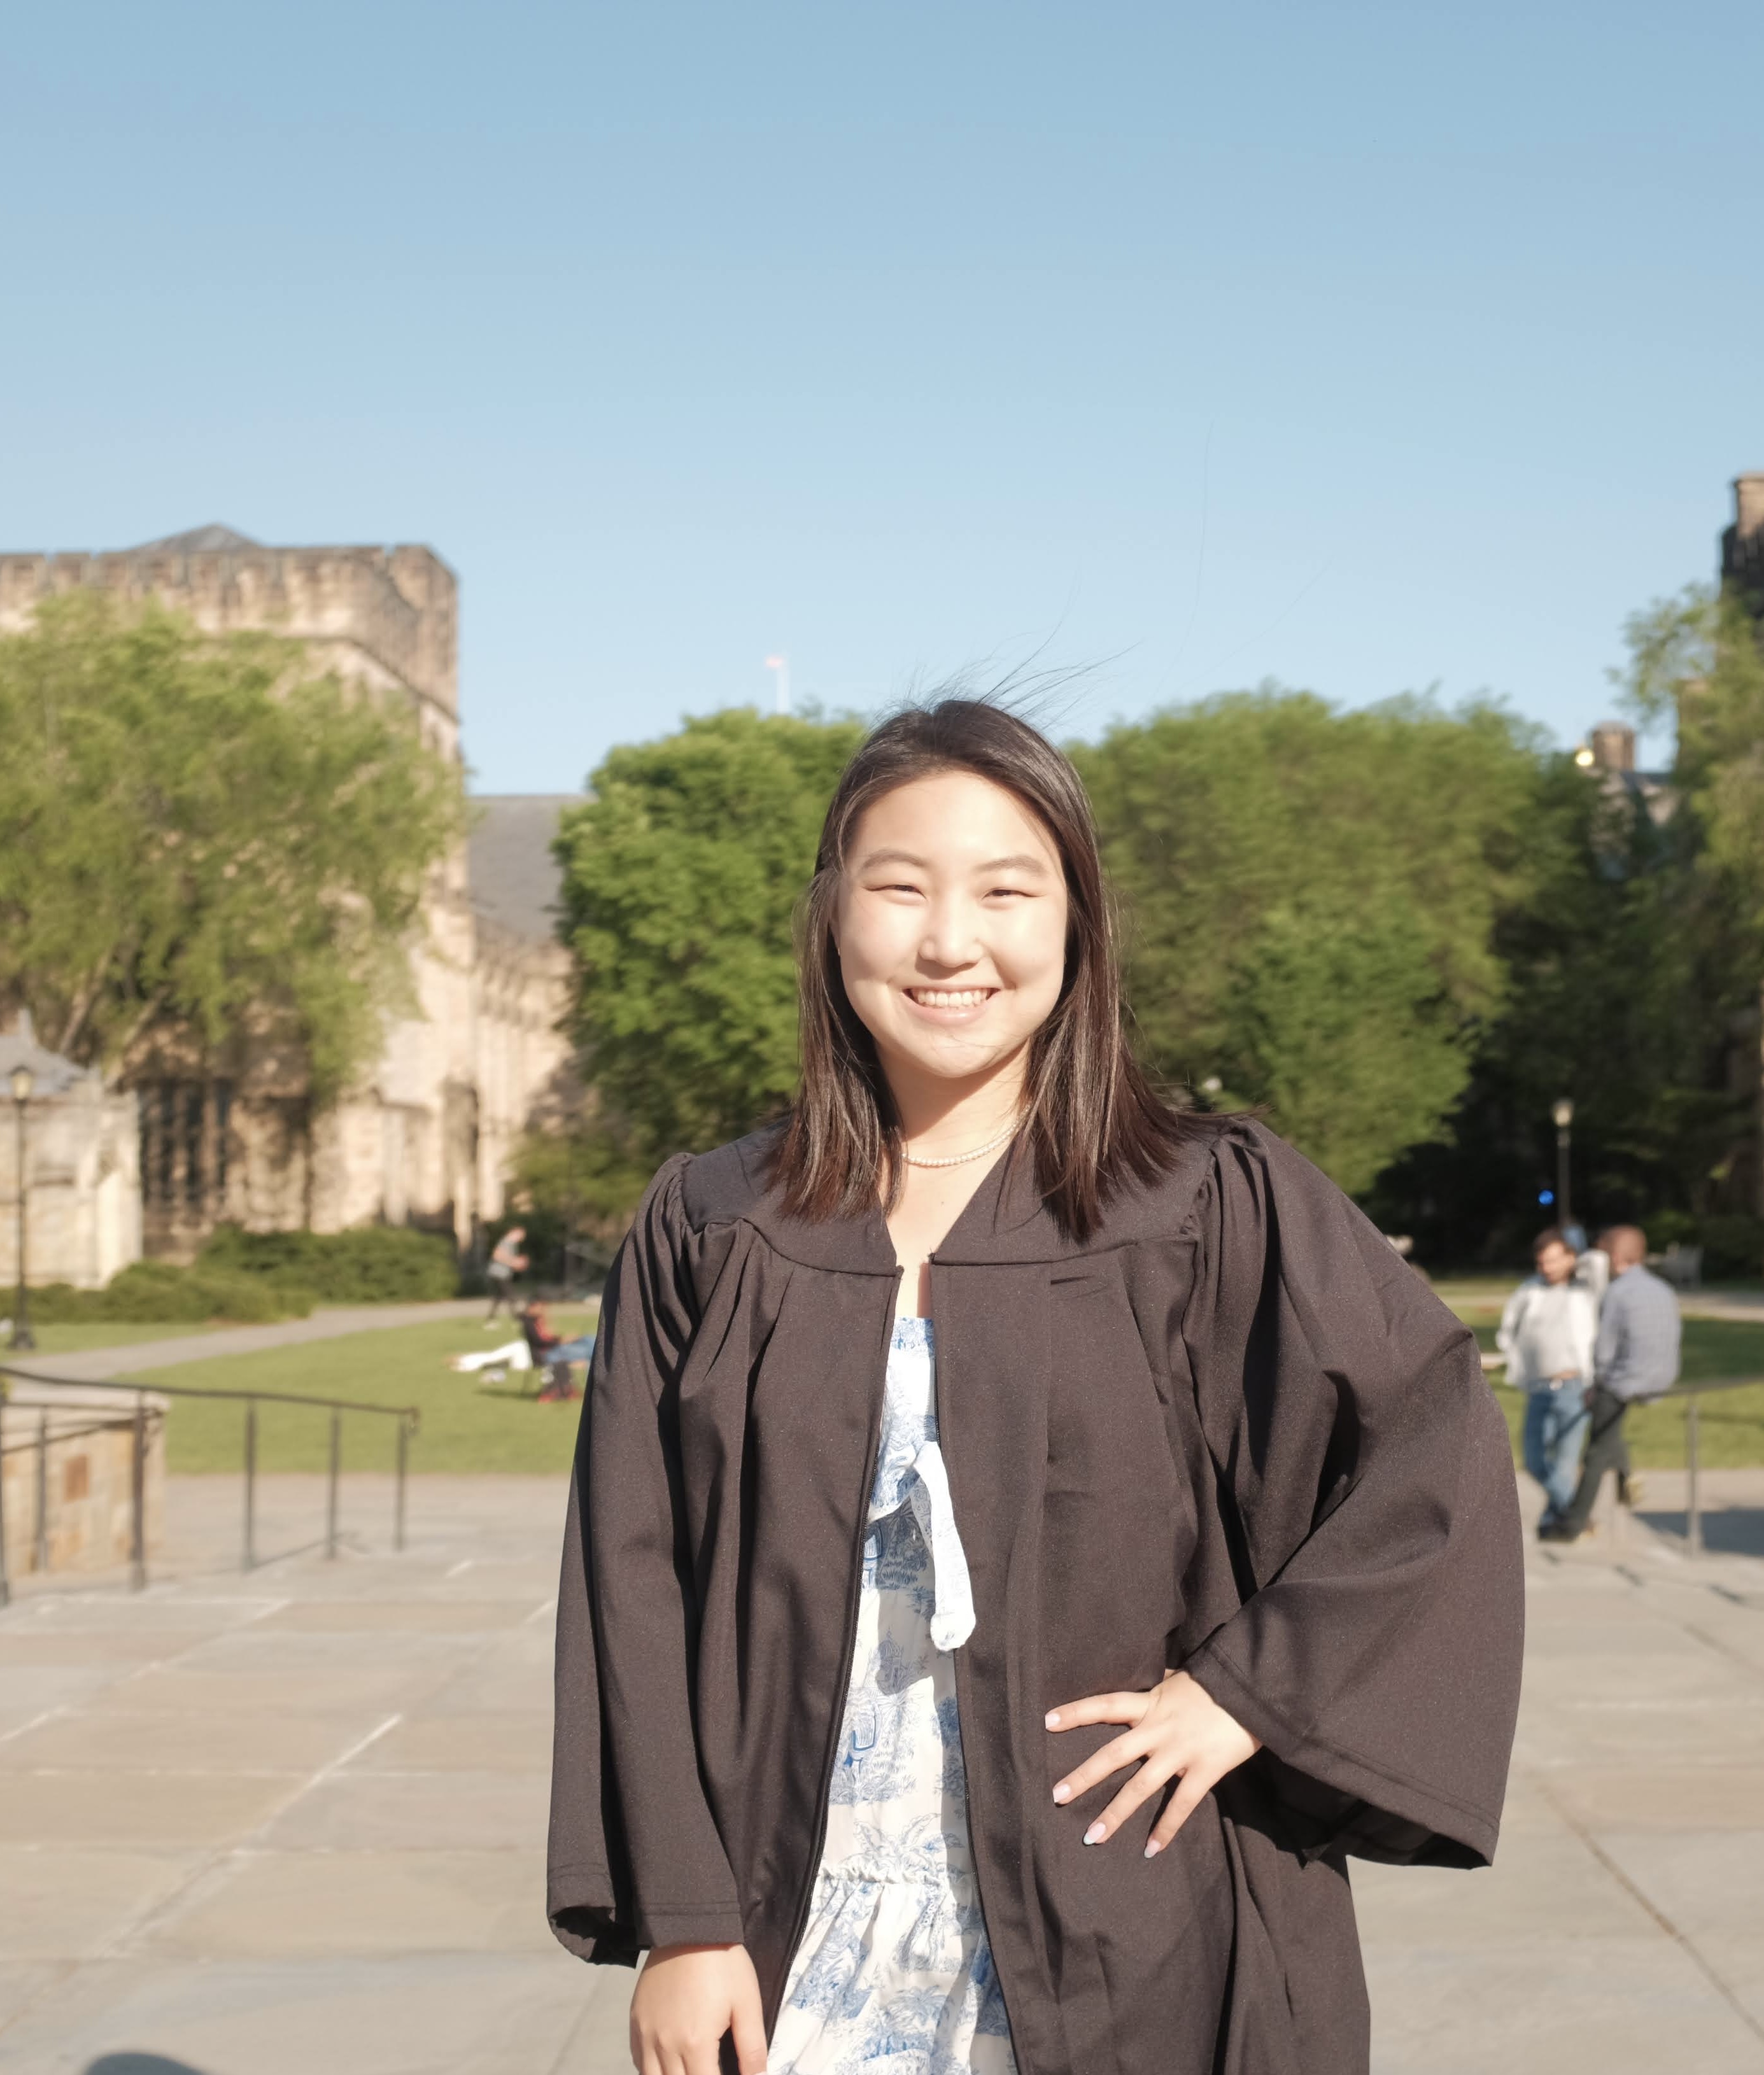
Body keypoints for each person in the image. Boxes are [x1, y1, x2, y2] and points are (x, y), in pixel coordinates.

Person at [547, 701, 1524, 2075]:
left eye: (1008, 889)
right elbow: (630, 1582)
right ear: (832, 917)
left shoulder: (1206, 1201)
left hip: (1140, 1922)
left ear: (1075, 924)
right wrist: (684, 1920)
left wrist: (1247, 1692)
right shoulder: (714, 1225)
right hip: (793, 1935)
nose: (952, 941)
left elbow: (1432, 1441)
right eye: (900, 886)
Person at [1539, 1225, 1681, 1544]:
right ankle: (1628, 1479)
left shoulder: (1618, 1293)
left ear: (1615, 1258)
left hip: (1624, 1382)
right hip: (1661, 1377)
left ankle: (1572, 1525)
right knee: (1610, 1431)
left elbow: (1605, 1350)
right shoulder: (1663, 1289)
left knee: (1595, 1454)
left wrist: (1594, 1385)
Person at [1498, 1227, 1598, 1534]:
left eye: (1555, 1260)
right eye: (1542, 1262)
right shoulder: (1530, 1290)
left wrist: (1579, 1261)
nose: (1548, 1268)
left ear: (1571, 1258)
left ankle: (1558, 1520)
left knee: (1565, 1463)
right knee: (1534, 1460)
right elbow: (1509, 1329)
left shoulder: (1586, 1291)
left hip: (1575, 1387)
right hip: (1540, 1387)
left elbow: (1599, 1262)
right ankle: (1574, 1514)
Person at [524, 1298, 597, 1402]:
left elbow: (549, 1338)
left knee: (588, 1339)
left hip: (555, 1349)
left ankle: (594, 1385)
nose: (544, 1310)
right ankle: (595, 1386)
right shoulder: (529, 1323)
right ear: (533, 1307)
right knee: (592, 1350)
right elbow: (540, 1342)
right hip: (549, 1353)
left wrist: (566, 1339)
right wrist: (561, 1341)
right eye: (541, 1308)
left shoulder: (537, 1321)